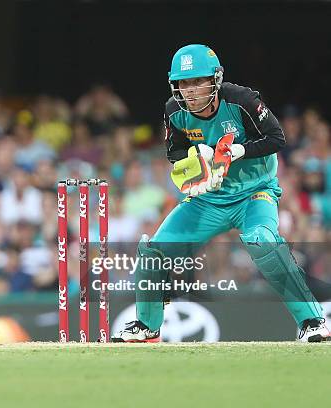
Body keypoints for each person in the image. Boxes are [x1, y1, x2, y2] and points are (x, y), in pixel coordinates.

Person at [112, 44, 329, 343]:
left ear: (216, 78)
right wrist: (197, 160)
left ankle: (313, 322)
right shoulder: (174, 111)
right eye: (184, 83)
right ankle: (148, 326)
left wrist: (240, 151)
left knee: (263, 242)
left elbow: (277, 138)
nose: (190, 91)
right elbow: (175, 152)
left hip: (254, 193)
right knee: (154, 253)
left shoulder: (241, 100)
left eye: (198, 81)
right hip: (209, 198)